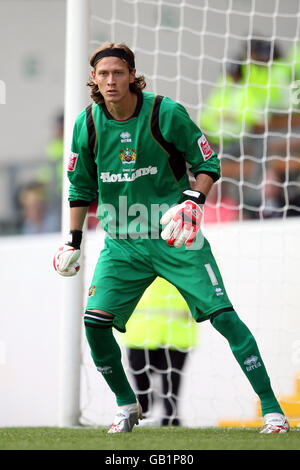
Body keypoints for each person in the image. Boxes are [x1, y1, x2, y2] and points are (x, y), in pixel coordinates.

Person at [53, 41, 289, 434]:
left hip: (176, 236)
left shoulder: (166, 112)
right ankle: (127, 406)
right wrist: (73, 241)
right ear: (93, 79)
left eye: (118, 72)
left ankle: (273, 411)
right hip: (122, 243)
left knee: (226, 319)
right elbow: (79, 187)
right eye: (103, 74)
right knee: (94, 324)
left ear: (132, 75)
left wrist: (195, 201)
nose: (111, 80)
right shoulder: (87, 124)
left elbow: (207, 162)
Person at [122, 276, 198, 426]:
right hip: (140, 330)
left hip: (176, 330)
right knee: (141, 379)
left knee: (171, 380)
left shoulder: (193, 251)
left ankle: (171, 417)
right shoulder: (131, 252)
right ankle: (142, 414)